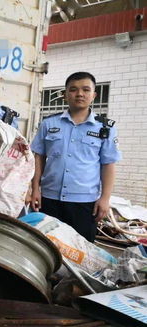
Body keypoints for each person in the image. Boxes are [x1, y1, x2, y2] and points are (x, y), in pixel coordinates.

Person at [29, 72, 121, 242]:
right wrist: (35, 189)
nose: (79, 94)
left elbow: (108, 164)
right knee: (44, 246)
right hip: (49, 200)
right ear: (65, 94)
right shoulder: (49, 124)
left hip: (84, 204)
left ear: (94, 95)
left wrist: (105, 198)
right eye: (73, 90)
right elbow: (38, 157)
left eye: (86, 90)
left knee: (81, 253)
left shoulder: (105, 128)